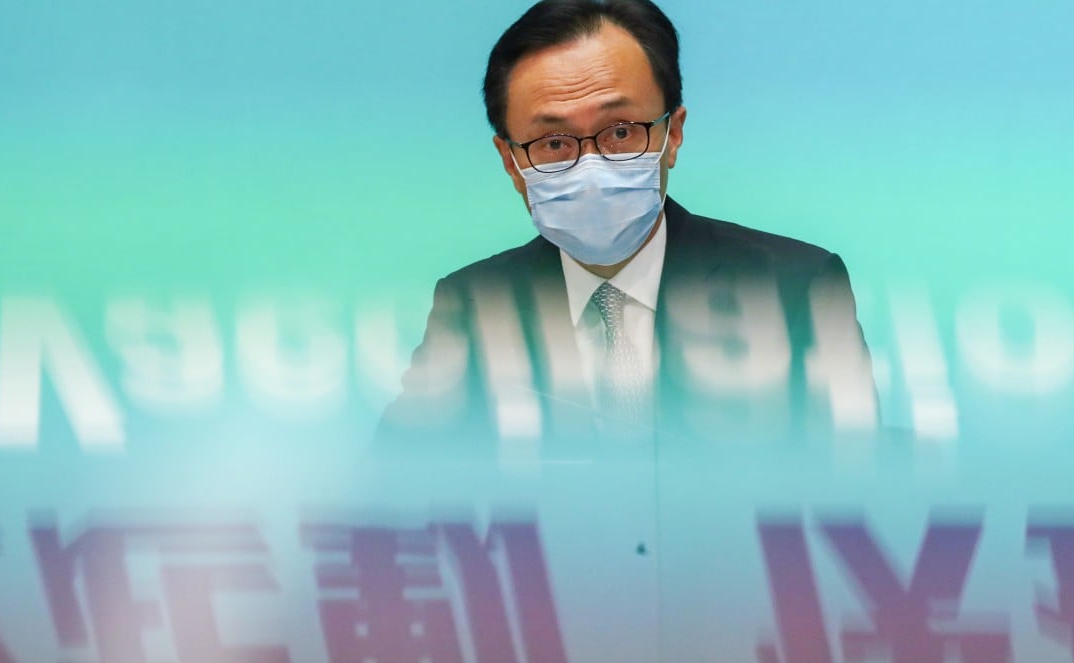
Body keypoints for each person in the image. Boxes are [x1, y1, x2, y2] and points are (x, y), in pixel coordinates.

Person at [373, 0, 876, 465]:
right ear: (510, 162)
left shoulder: (796, 286)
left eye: (620, 132)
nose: (590, 167)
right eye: (553, 142)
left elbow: (858, 478)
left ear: (672, 134)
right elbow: (399, 483)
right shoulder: (473, 305)